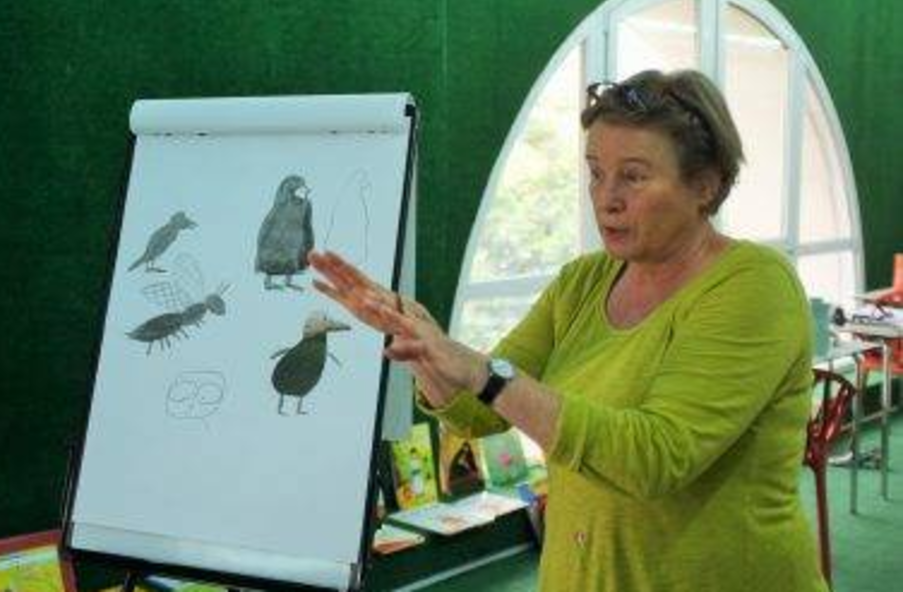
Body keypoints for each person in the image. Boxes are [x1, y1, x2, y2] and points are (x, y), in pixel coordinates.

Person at [309, 69, 826, 591]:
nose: (606, 198)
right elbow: (478, 412)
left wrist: (483, 373)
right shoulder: (584, 281)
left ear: (705, 185)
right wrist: (419, 344)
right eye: (596, 173)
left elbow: (654, 458)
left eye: (633, 177)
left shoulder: (754, 285)